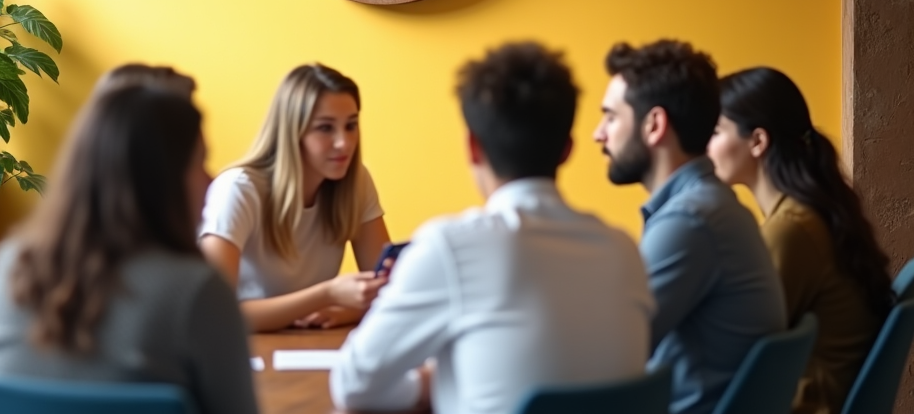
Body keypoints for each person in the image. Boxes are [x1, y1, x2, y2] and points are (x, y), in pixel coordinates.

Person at [330, 42, 654, 414]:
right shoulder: (623, 250)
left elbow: (352, 386)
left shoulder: (451, 246)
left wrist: (427, 383)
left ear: (473, 147)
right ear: (567, 149)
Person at [0, 84, 257, 414]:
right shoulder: (197, 290)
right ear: (160, 177)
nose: (210, 179)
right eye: (199, 162)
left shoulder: (9, 264)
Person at [594, 40, 786, 414]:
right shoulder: (711, 207)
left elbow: (611, 355)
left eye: (611, 117)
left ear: (654, 125)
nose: (598, 134)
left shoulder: (691, 221)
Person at [708, 67, 893, 414]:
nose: (704, 146)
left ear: (758, 142)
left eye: (716, 132)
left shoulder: (793, 229)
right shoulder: (810, 213)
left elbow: (735, 345)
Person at [199, 64, 390, 332]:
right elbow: (213, 313)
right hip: (242, 353)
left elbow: (390, 293)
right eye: (325, 128)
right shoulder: (239, 189)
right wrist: (326, 295)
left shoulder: (356, 182)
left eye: (351, 125)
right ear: (291, 132)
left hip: (310, 346)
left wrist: (346, 311)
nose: (344, 143)